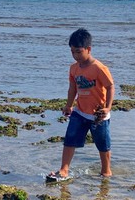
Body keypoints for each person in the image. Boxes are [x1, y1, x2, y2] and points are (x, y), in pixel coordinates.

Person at [47, 28, 114, 182]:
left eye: (78, 52)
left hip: (98, 115)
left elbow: (110, 87)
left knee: (102, 144)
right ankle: (64, 169)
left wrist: (108, 107)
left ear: (88, 49)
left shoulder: (99, 68)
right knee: (70, 139)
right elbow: (73, 88)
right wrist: (69, 105)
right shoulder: (74, 68)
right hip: (80, 112)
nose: (75, 55)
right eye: (72, 52)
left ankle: (106, 171)